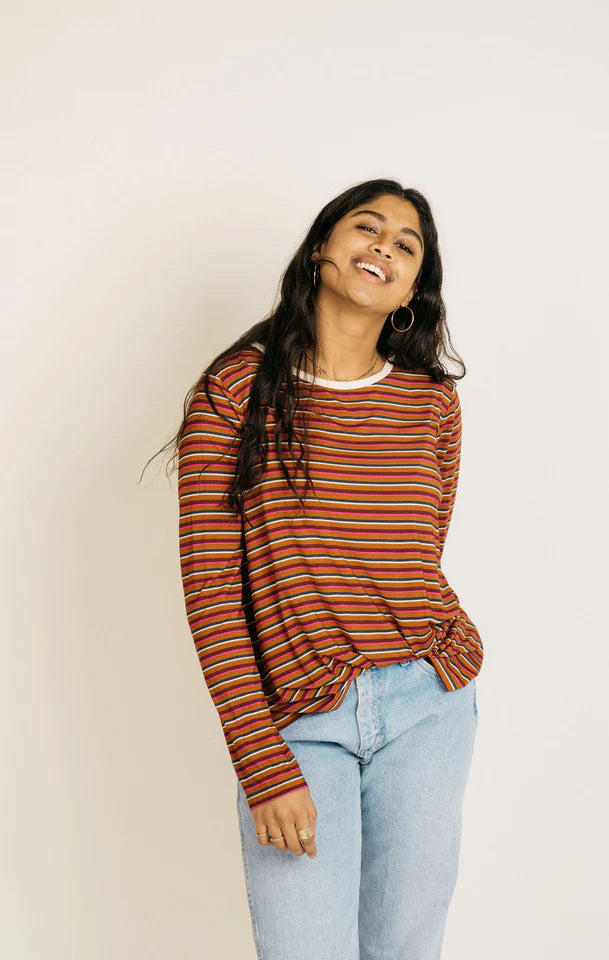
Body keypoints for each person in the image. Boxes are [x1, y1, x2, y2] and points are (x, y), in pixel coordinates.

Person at [161, 178, 484, 959]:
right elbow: (212, 593)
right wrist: (261, 762)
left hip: (429, 705)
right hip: (298, 712)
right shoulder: (235, 392)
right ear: (319, 249)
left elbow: (416, 558)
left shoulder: (432, 404)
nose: (383, 247)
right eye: (366, 228)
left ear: (412, 291)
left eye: (405, 246)